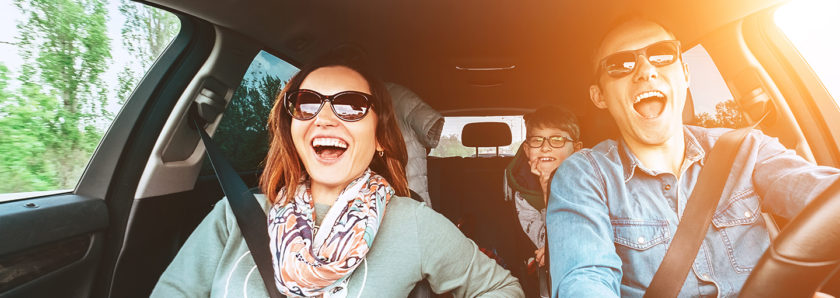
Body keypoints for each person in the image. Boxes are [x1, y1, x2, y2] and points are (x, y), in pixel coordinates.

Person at [152, 52, 524, 297]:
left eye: (351, 105)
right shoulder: (235, 216)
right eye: (307, 103)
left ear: (379, 138)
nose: (324, 117)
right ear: (291, 130)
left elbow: (503, 289)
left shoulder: (413, 223)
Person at [546, 16, 840, 297]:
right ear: (600, 96)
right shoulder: (584, 176)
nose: (646, 71)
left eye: (661, 54)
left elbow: (819, 193)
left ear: (685, 74)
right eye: (620, 65)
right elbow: (585, 281)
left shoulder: (746, 148)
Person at [503, 106, 582, 297]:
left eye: (557, 140)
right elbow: (541, 241)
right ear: (527, 150)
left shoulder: (590, 183)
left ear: (577, 149)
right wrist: (546, 187)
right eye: (537, 140)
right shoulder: (523, 191)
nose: (545, 147)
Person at [386, 82, 444, 207]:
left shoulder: (397, 96)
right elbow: (430, 138)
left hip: (408, 189)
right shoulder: (400, 97)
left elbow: (430, 135)